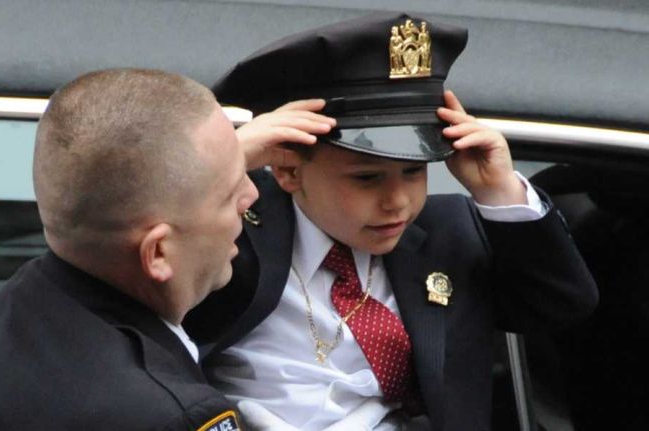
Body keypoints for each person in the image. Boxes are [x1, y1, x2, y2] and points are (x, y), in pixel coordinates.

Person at [185, 13, 598, 431]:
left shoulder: (447, 231)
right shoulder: (229, 231)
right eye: (367, 178)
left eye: (415, 171)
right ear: (288, 170)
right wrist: (221, 166)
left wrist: (500, 191)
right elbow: (132, 274)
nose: (397, 202)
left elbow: (561, 304)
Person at [0, 68, 330, 430]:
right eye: (228, 195)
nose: (252, 194)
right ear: (158, 254)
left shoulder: (8, 320)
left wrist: (214, 167)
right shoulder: (169, 414)